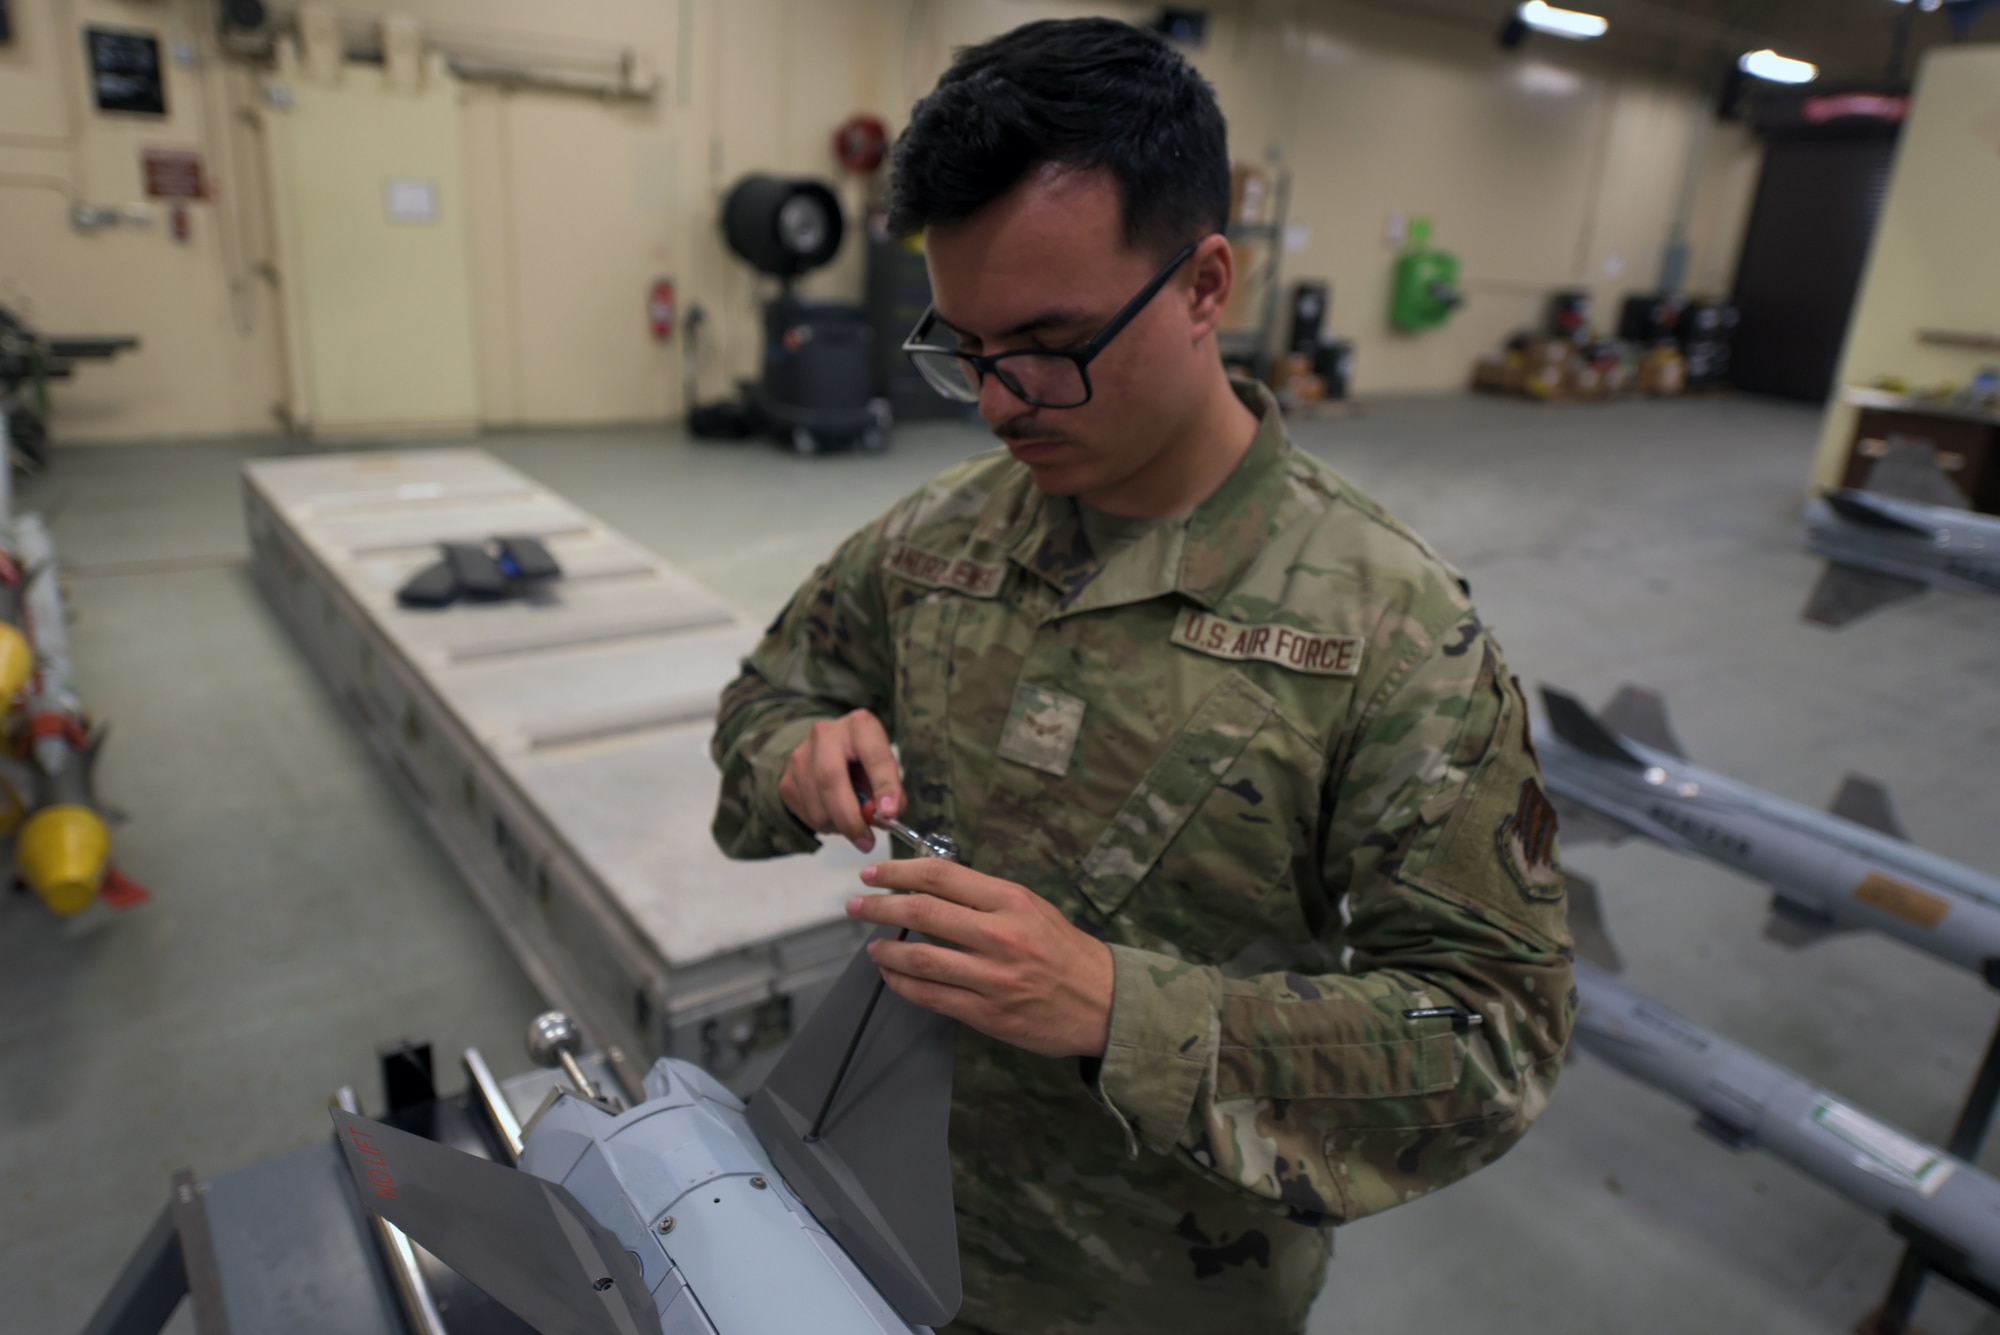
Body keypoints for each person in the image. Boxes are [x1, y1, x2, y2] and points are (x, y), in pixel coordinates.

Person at [711, 17, 1574, 1335]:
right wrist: (797, 753)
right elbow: (764, 699)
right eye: (968, 351)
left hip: (1156, 1289)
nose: (1004, 404)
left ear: (1206, 283)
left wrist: (1117, 1007)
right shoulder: (936, 539)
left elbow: (1490, 1039)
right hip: (882, 1218)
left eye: (1051, 343)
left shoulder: (1387, 632)